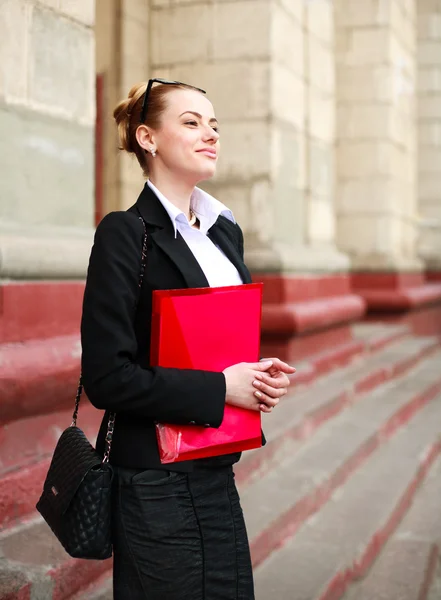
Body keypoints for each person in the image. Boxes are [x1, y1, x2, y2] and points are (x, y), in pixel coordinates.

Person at [80, 78, 295, 600]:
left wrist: (254, 375)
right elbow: (107, 378)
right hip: (155, 478)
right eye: (192, 123)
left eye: (215, 125)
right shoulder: (125, 233)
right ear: (148, 139)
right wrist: (223, 389)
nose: (211, 135)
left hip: (217, 468)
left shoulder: (224, 231)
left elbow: (214, 342)